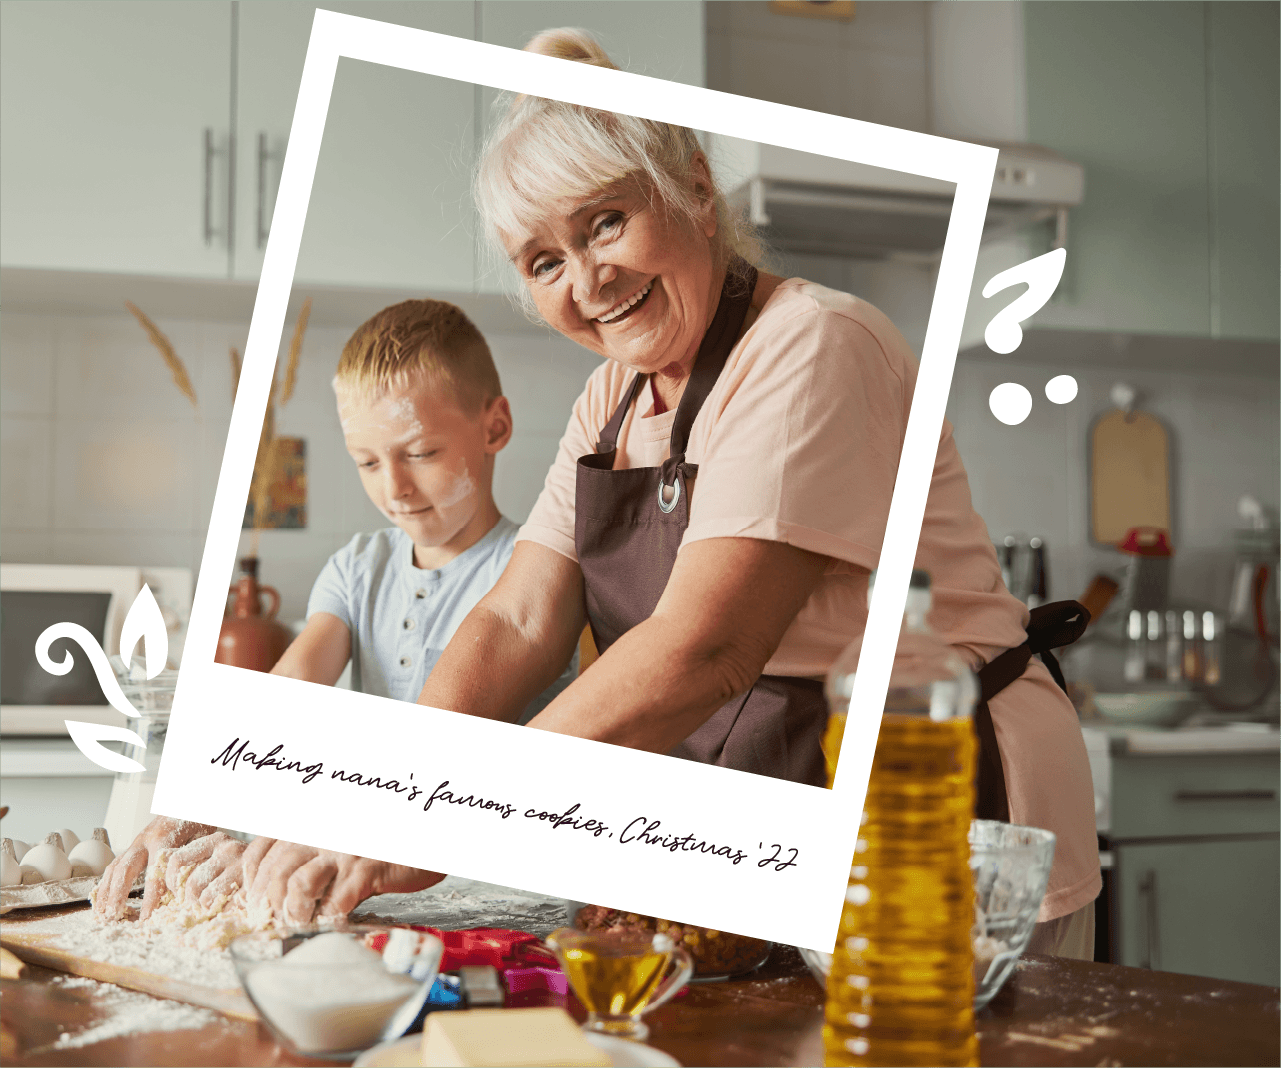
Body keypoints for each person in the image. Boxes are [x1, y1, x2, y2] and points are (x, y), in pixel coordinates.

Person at [101, 29, 1099, 958]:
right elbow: (515, 623)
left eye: (606, 222)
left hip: (941, 819)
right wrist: (371, 790)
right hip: (775, 820)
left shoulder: (809, 347)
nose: (587, 279)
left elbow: (705, 650)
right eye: (545, 261)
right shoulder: (610, 402)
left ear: (697, 191)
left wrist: (442, 811)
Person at [94, 298, 574, 921]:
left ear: (495, 426)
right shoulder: (359, 567)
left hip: (507, 893)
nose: (393, 487)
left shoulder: (536, 565)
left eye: (421, 453)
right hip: (370, 884)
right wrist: (195, 802)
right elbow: (289, 693)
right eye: (368, 463)